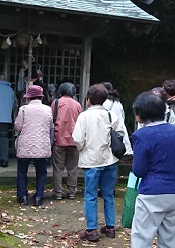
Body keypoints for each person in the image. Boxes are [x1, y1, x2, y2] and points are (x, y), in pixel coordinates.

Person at [131, 91, 175, 248]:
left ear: (140, 114)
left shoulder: (142, 135)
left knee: (142, 238)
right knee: (170, 241)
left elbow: (139, 170)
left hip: (153, 192)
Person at [72, 84, 125, 242]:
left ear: (88, 100)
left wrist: (83, 148)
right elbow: (121, 133)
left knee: (90, 195)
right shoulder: (110, 115)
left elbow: (78, 139)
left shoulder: (84, 116)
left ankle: (91, 229)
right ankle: (110, 227)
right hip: (110, 160)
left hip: (91, 160)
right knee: (108, 194)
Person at [14, 85, 53, 206]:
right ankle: (38, 197)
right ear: (41, 97)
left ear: (29, 97)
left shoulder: (23, 109)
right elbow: (50, 125)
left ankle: (23, 197)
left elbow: (18, 126)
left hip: (25, 144)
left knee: (22, 171)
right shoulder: (48, 109)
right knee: (41, 172)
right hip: (42, 144)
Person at [51, 82, 81, 200]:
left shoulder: (56, 102)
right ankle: (71, 192)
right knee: (73, 168)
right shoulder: (77, 105)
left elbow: (52, 119)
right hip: (74, 140)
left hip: (59, 139)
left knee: (58, 168)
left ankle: (58, 192)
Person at [102, 82, 133, 156]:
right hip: (121, 130)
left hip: (111, 131)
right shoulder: (118, 103)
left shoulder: (106, 103)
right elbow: (123, 116)